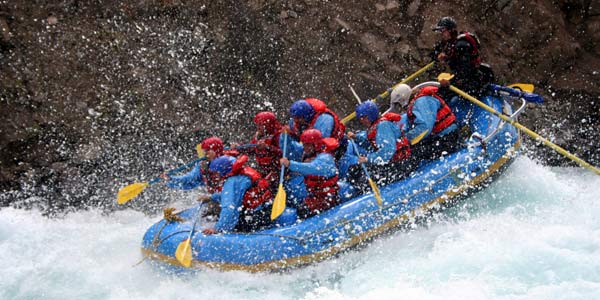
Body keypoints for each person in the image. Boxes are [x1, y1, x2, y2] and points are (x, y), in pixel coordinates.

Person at [346, 101, 412, 193]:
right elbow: (371, 145)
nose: (362, 121)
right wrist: (356, 138)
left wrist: (368, 159)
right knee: (353, 170)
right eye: (360, 119)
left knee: (363, 179)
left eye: (364, 118)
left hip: (400, 165)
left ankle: (375, 197)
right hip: (390, 163)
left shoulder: (383, 126)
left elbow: (388, 151)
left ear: (371, 115)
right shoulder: (375, 126)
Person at [201, 155, 273, 234]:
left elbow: (230, 207)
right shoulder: (244, 172)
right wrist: (212, 197)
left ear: (222, 170)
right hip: (267, 210)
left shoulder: (232, 181)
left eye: (216, 172)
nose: (216, 175)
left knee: (214, 218)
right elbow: (235, 194)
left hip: (255, 218)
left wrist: (217, 229)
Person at [279, 129, 339, 219]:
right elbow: (292, 147)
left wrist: (290, 164)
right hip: (314, 197)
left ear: (316, 144)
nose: (305, 147)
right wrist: (285, 136)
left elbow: (311, 168)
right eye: (304, 144)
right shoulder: (308, 152)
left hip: (328, 198)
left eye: (308, 145)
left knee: (303, 211)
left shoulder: (326, 158)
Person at [391, 83, 460, 161]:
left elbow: (425, 128)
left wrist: (406, 139)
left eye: (398, 105)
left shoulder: (421, 101)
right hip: (440, 136)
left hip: (447, 137)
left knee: (413, 155)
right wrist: (399, 138)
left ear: (403, 100)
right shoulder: (414, 104)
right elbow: (409, 126)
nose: (399, 108)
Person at [430, 16, 491, 99]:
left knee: (442, 94)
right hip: (464, 78)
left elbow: (466, 71)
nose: (441, 34)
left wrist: (450, 82)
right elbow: (434, 53)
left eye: (443, 31)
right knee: (441, 90)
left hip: (472, 81)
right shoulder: (451, 43)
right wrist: (440, 57)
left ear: (451, 30)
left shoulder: (461, 45)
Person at [282, 98, 346, 162]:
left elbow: (319, 143)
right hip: (312, 147)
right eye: (294, 118)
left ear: (305, 116)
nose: (295, 120)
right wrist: (290, 133)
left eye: (298, 118)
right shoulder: (297, 120)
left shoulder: (325, 120)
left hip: (336, 147)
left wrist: (308, 158)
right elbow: (295, 134)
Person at [234, 111, 282, 191]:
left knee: (264, 188)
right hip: (264, 170)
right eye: (258, 125)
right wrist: (239, 147)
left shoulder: (279, 136)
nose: (258, 127)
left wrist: (267, 147)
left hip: (277, 171)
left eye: (261, 125)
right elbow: (251, 149)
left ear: (268, 125)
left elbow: (284, 153)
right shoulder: (259, 136)